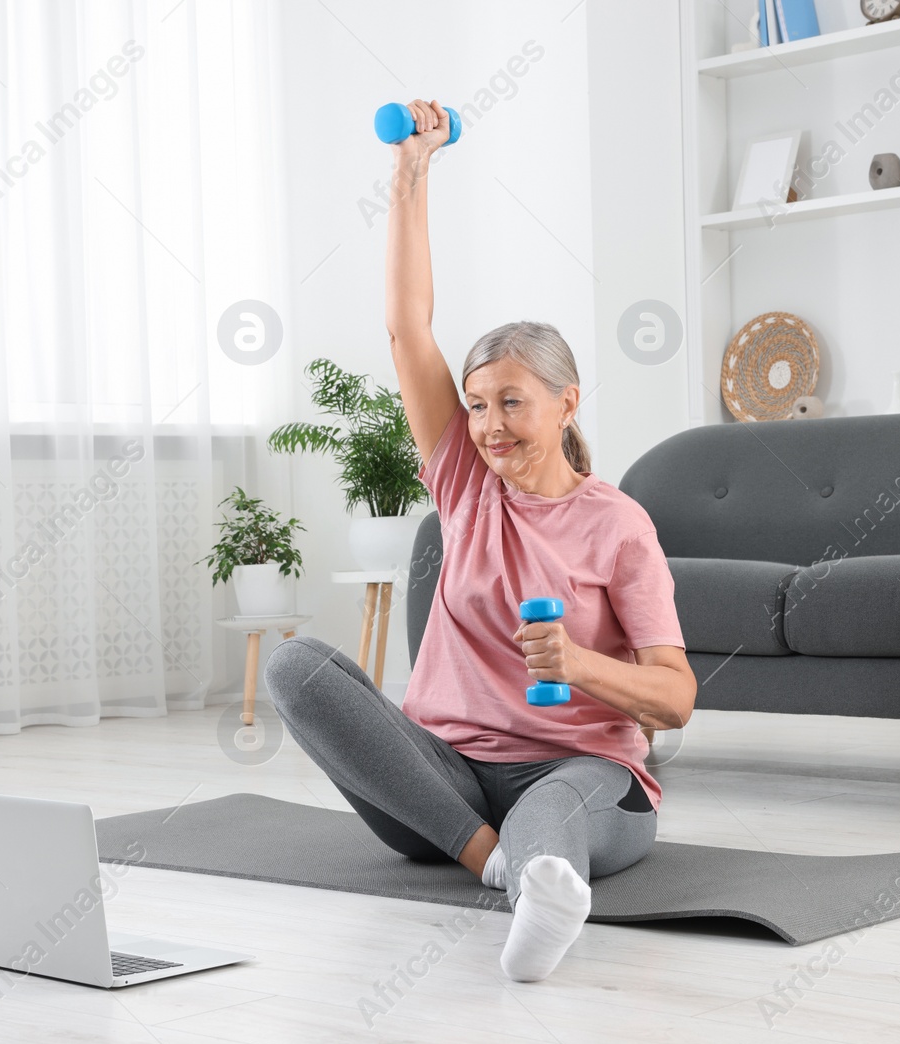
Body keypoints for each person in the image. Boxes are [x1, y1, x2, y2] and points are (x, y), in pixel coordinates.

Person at [265, 99, 696, 982]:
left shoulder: (618, 523)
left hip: (583, 774)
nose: (489, 425)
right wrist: (412, 169)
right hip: (443, 782)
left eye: (511, 402)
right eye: (475, 403)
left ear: (566, 401)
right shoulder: (463, 480)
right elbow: (405, 327)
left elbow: (675, 698)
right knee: (295, 667)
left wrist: (576, 665)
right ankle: (498, 868)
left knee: (558, 806)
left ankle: (533, 878)